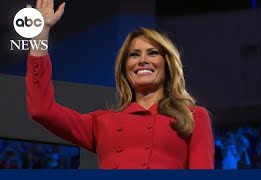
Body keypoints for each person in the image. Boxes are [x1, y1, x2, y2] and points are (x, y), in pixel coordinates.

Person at [25, 0, 214, 169]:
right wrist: (40, 35)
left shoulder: (193, 117)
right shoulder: (101, 122)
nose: (142, 60)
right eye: (134, 55)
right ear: (125, 69)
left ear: (167, 65)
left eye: (153, 53)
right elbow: (41, 109)